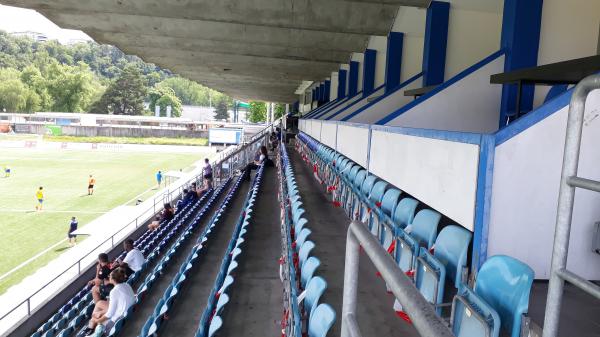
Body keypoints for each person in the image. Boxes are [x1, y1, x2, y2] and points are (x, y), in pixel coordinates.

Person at [82, 268, 135, 337]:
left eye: (110, 276)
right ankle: (91, 327)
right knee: (99, 303)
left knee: (98, 319)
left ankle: (93, 328)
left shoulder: (114, 291)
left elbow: (110, 314)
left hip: (119, 317)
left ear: (113, 279)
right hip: (126, 311)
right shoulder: (126, 285)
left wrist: (97, 320)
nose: (109, 277)